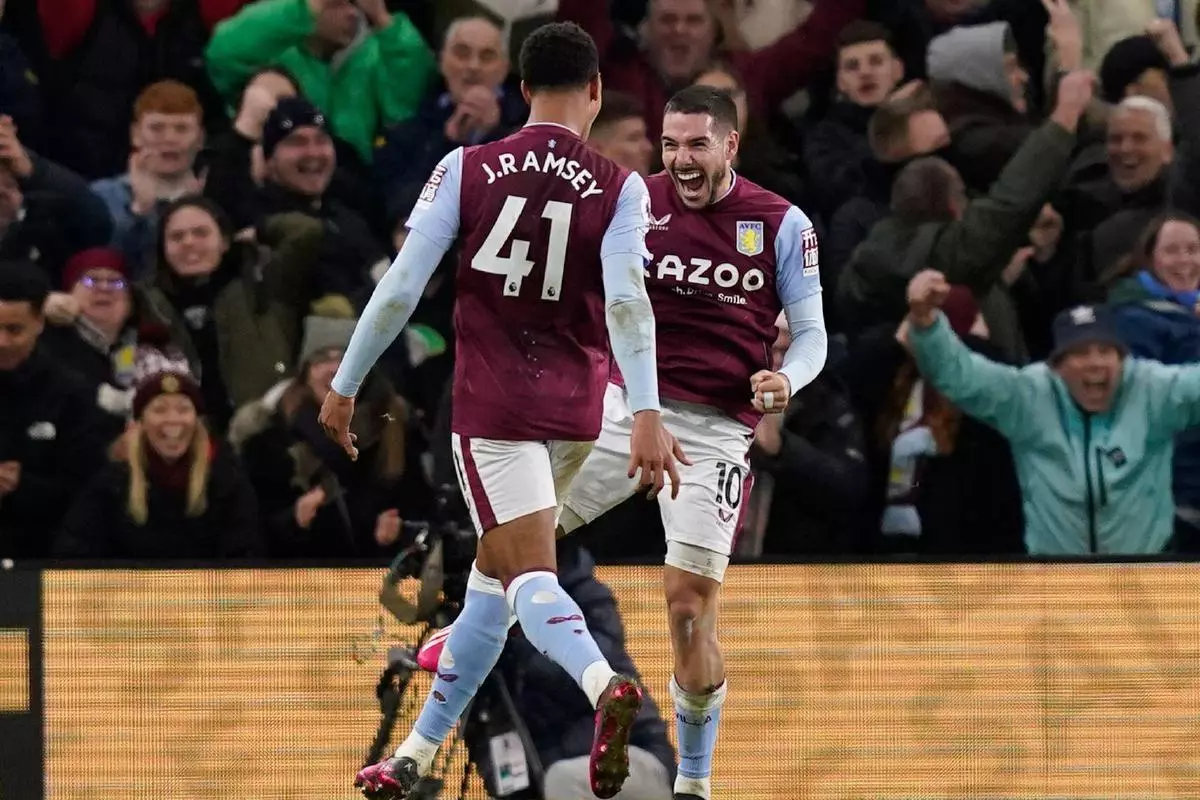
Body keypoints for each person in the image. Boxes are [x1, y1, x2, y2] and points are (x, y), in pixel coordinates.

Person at [427, 86, 828, 800]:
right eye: (670, 145)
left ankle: (695, 784)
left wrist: (787, 379)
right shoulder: (631, 201)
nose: (681, 159)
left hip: (714, 430)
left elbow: (815, 333)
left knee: (687, 607)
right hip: (622, 407)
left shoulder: (781, 224)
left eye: (697, 144)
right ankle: (463, 637)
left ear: (731, 145)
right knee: (518, 536)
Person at [317, 21, 683, 800]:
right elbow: (628, 303)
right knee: (492, 577)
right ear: (593, 92)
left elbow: (401, 288)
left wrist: (346, 383)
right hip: (584, 412)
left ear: (521, 91)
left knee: (524, 576)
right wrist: (645, 410)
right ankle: (413, 755)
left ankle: (599, 682)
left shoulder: (467, 168)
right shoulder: (620, 185)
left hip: (494, 412)